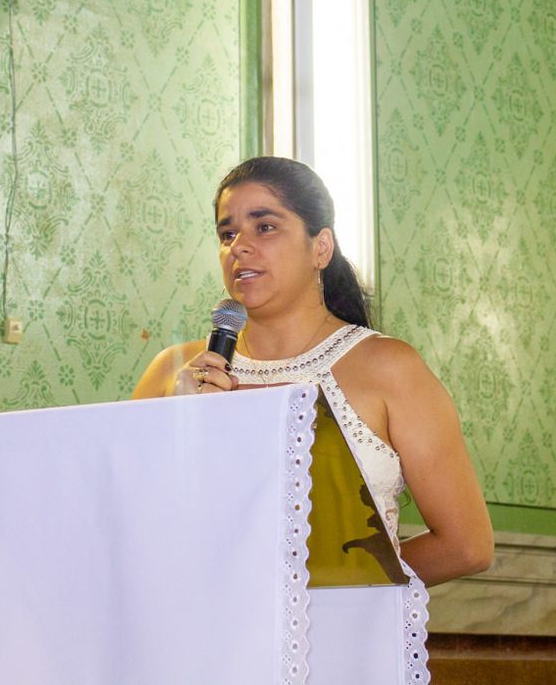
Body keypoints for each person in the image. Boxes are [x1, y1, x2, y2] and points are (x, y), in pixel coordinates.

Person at [132, 157, 493, 587]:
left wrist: (326, 584)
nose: (238, 247)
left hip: (336, 633)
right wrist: (170, 426)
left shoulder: (389, 369)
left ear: (321, 247)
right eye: (227, 234)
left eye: (264, 226)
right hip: (208, 631)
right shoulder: (173, 372)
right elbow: (125, 523)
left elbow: (466, 545)